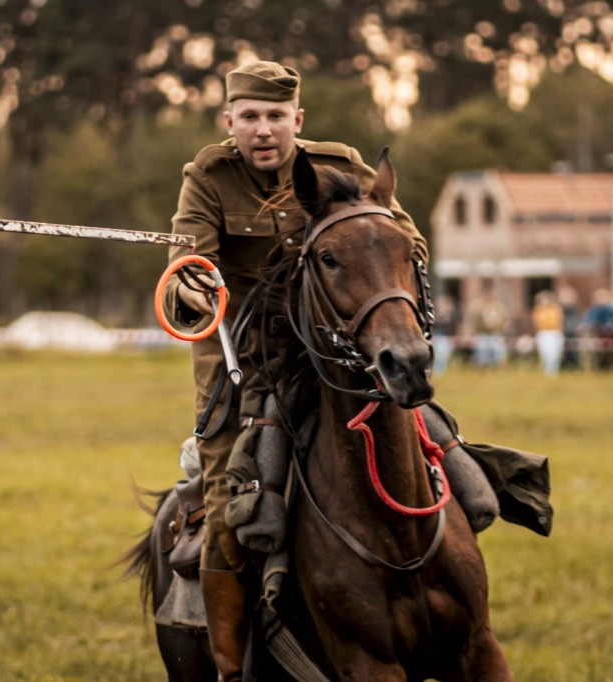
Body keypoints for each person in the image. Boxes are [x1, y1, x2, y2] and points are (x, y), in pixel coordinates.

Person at [160, 61, 426, 682]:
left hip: (336, 355)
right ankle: (230, 664)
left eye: (275, 117)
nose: (263, 130)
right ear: (230, 122)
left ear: (297, 121)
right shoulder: (207, 176)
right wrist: (195, 285)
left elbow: (405, 239)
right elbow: (184, 260)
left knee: (433, 441)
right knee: (231, 503)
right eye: (249, 117)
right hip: (245, 367)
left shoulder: (341, 164)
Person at [580, 288, 613, 371]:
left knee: (609, 352)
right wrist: (585, 327)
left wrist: (610, 329)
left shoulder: (611, 308)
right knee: (595, 351)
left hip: (608, 333)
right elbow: (588, 320)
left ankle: (608, 367)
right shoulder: (594, 309)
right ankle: (596, 367)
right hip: (596, 332)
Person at [471, 287, 507, 369]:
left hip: (496, 333)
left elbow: (503, 320)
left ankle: (499, 370)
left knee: (499, 354)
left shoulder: (499, 307)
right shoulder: (478, 306)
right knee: (483, 354)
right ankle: (484, 369)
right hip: (483, 333)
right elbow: (475, 320)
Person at [531, 290, 564, 376]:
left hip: (554, 332)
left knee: (554, 354)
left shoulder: (556, 309)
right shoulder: (538, 310)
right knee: (545, 353)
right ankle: (547, 371)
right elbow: (536, 323)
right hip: (543, 333)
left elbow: (559, 321)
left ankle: (554, 371)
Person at [432, 294, 460, 374]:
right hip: (437, 336)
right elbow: (435, 325)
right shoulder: (435, 313)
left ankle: (440, 371)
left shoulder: (453, 315)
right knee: (439, 353)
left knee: (442, 353)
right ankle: (438, 371)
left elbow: (452, 327)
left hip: (447, 337)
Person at [558, 286, 582, 371]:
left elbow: (576, 322)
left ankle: (575, 366)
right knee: (563, 352)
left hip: (572, 332)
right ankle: (563, 366)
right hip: (562, 332)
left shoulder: (575, 309)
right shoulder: (558, 309)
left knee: (573, 351)